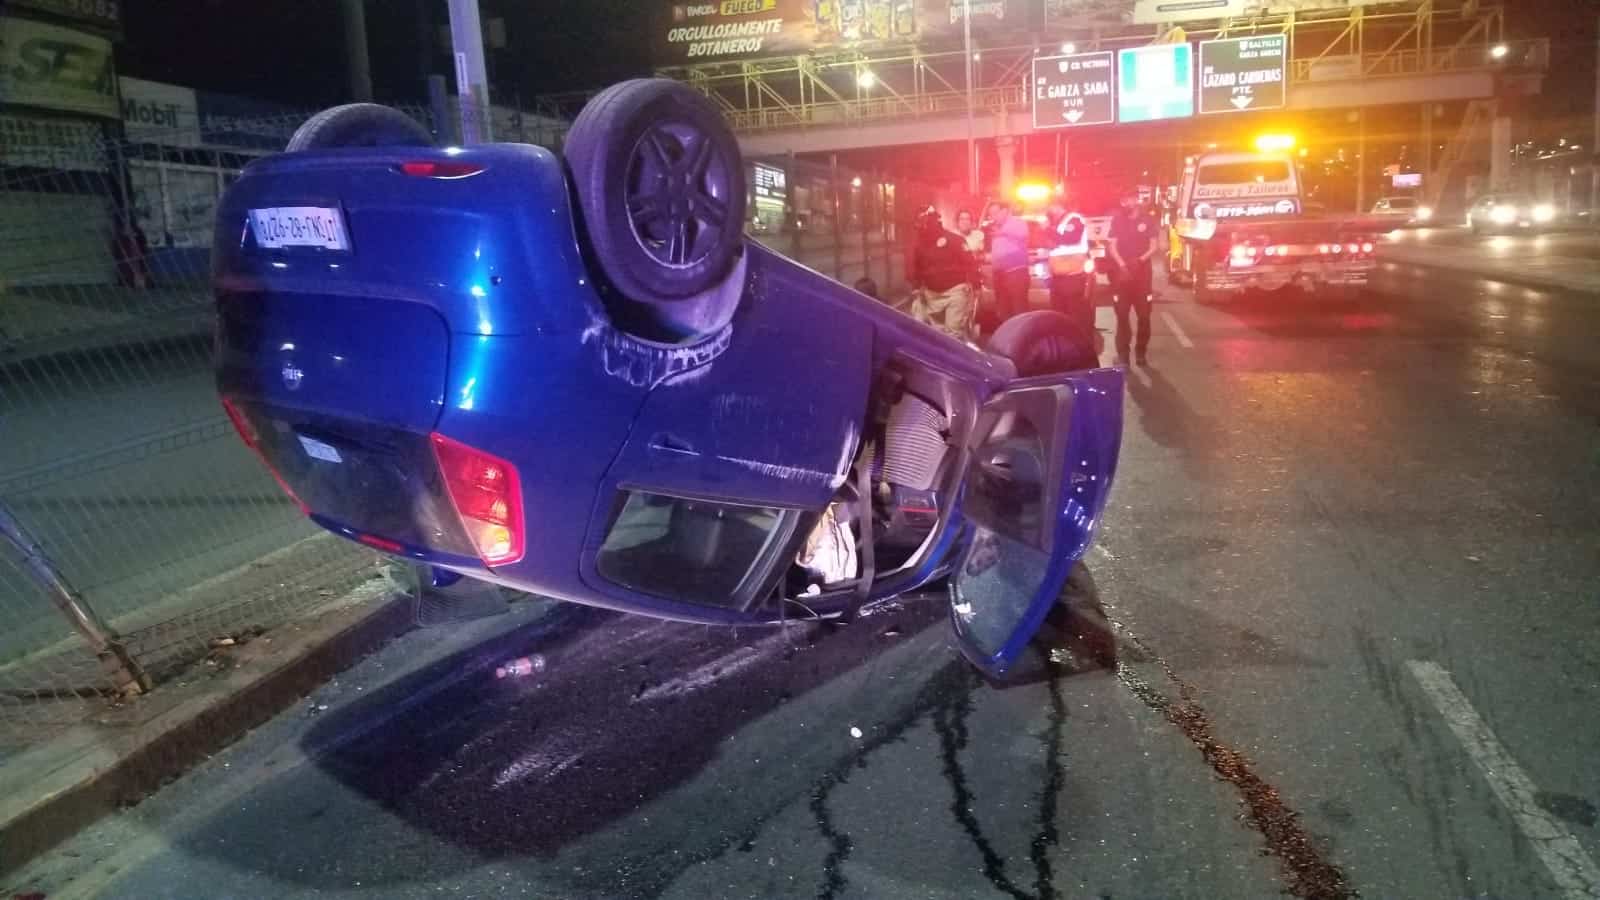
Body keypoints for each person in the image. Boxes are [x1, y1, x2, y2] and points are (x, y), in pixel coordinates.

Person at [907, 206, 978, 342]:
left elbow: (970, 264)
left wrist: (975, 285)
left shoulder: (955, 240)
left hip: (955, 293)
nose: (922, 227)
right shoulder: (919, 244)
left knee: (952, 335)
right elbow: (916, 268)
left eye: (925, 222)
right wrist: (916, 287)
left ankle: (953, 361)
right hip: (930, 295)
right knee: (922, 330)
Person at [1107, 188, 1158, 365]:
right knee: (1121, 315)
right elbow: (1112, 245)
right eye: (1123, 200)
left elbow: (1154, 245)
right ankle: (1123, 354)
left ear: (1136, 200)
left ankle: (1141, 352)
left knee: (1144, 316)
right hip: (1122, 276)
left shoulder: (1148, 220)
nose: (1126, 203)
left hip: (1142, 276)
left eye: (1129, 199)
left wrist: (1140, 260)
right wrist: (1122, 264)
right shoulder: (1117, 220)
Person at [1045, 196, 1094, 339]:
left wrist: (1048, 229)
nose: (1049, 210)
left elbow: (1070, 239)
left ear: (1057, 206)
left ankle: (1081, 347)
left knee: (1077, 317)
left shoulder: (1074, 219)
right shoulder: (1058, 222)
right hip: (1059, 277)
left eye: (1050, 207)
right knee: (1060, 316)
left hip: (1073, 277)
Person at [986, 200, 1031, 324]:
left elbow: (1023, 234)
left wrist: (1002, 232)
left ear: (1005, 211)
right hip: (999, 276)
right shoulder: (994, 228)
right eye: (990, 214)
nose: (992, 217)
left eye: (995, 213)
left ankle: (1022, 340)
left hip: (1015, 274)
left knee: (1019, 311)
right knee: (1002, 311)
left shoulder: (1017, 222)